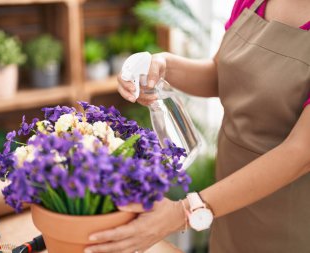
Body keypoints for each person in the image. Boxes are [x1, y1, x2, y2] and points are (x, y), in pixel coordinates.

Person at [84, 0, 310, 252]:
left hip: (289, 219)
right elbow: (220, 74)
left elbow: (300, 153)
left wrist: (185, 211)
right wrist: (163, 65)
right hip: (226, 204)